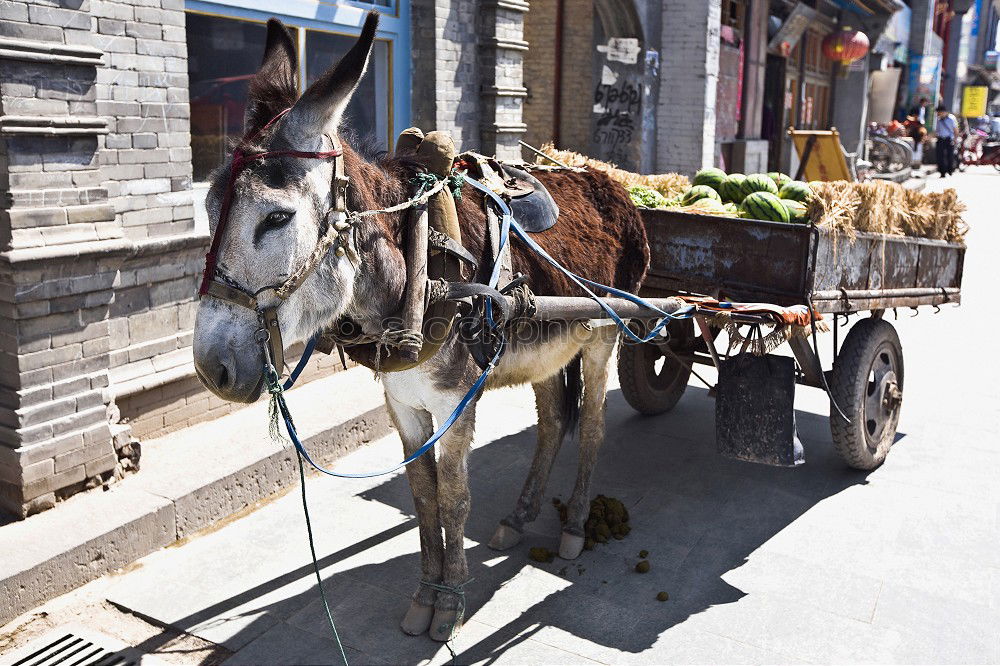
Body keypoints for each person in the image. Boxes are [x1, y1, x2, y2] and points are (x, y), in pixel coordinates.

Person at [935, 104, 958, 177]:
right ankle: (942, 172)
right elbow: (937, 131)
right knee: (940, 156)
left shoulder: (951, 118)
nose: (938, 114)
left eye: (939, 112)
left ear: (944, 112)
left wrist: (955, 139)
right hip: (941, 139)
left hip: (949, 139)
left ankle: (950, 170)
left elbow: (955, 130)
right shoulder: (939, 120)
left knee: (949, 155)